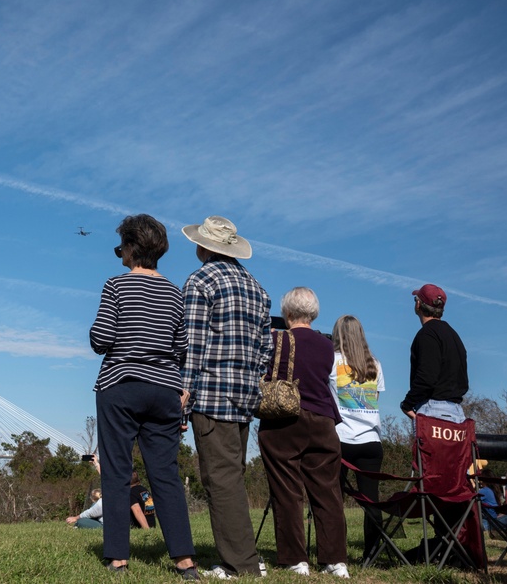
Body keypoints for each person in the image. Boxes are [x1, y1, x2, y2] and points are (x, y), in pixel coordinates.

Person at [89, 213, 199, 580]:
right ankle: (185, 561)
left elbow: (100, 340)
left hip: (121, 386)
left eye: (121, 245)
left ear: (133, 248)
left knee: (118, 473)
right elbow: (180, 347)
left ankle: (118, 559)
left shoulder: (116, 287)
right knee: (165, 474)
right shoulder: (174, 291)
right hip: (165, 390)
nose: (119, 251)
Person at [179, 215, 272, 580]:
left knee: (220, 480)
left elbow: (192, 346)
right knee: (232, 476)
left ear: (205, 247)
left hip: (212, 394)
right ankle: (244, 556)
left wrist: (183, 397)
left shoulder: (200, 281)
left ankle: (240, 565)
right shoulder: (258, 289)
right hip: (244, 396)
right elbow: (265, 350)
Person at [258, 287, 349, 578]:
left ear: (287, 312)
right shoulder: (327, 345)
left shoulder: (275, 338)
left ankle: (296, 559)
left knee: (287, 490)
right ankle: (336, 560)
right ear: (314, 312)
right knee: (327, 491)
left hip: (285, 419)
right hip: (323, 420)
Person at [329, 314, 384, 563]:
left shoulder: (332, 361)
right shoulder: (375, 364)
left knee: (333, 500)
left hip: (340, 438)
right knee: (371, 501)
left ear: (337, 334)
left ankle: (335, 553)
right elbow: (376, 404)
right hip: (371, 441)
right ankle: (372, 553)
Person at [400, 284, 468, 424]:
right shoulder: (454, 335)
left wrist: (407, 404)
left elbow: (427, 376)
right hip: (457, 413)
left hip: (433, 411)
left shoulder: (427, 335)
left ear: (418, 304)